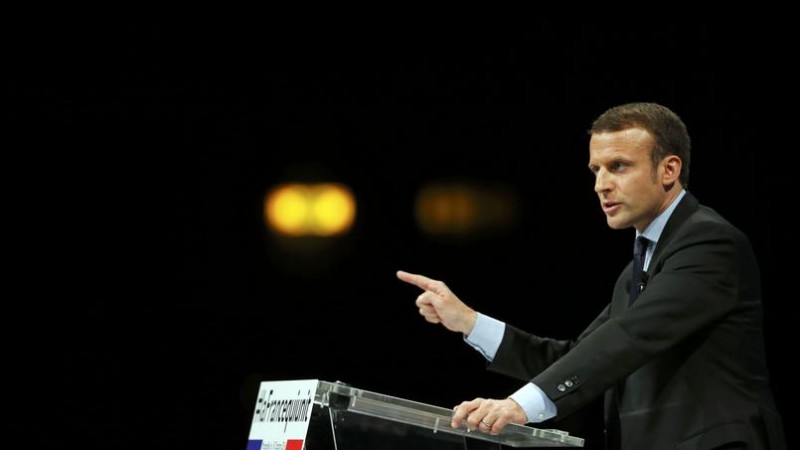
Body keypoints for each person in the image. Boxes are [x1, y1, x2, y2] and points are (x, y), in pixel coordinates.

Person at [397, 102, 786, 450]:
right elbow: (577, 360)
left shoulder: (709, 243)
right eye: (596, 170)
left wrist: (520, 404)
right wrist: (469, 321)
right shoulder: (637, 270)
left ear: (668, 169)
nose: (601, 184)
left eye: (619, 166)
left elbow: (630, 337)